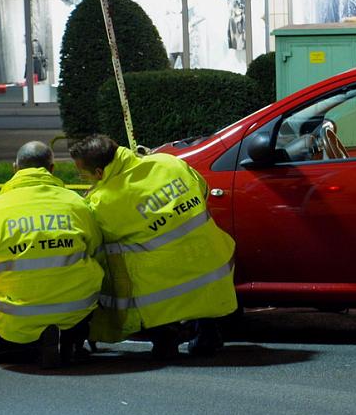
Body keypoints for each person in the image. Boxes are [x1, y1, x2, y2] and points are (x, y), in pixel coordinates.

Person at [69, 134, 238, 359]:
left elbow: (99, 238)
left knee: (119, 255)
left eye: (83, 174)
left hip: (166, 285)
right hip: (214, 264)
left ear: (98, 173)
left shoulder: (103, 201)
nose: (83, 178)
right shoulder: (168, 162)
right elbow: (204, 190)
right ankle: (207, 329)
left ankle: (165, 334)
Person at [0, 141, 104, 369]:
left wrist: (10, 284)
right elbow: (97, 254)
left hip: (18, 316)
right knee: (78, 320)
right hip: (74, 312)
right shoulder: (77, 204)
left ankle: (35, 345)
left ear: (15, 168)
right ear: (51, 169)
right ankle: (67, 340)